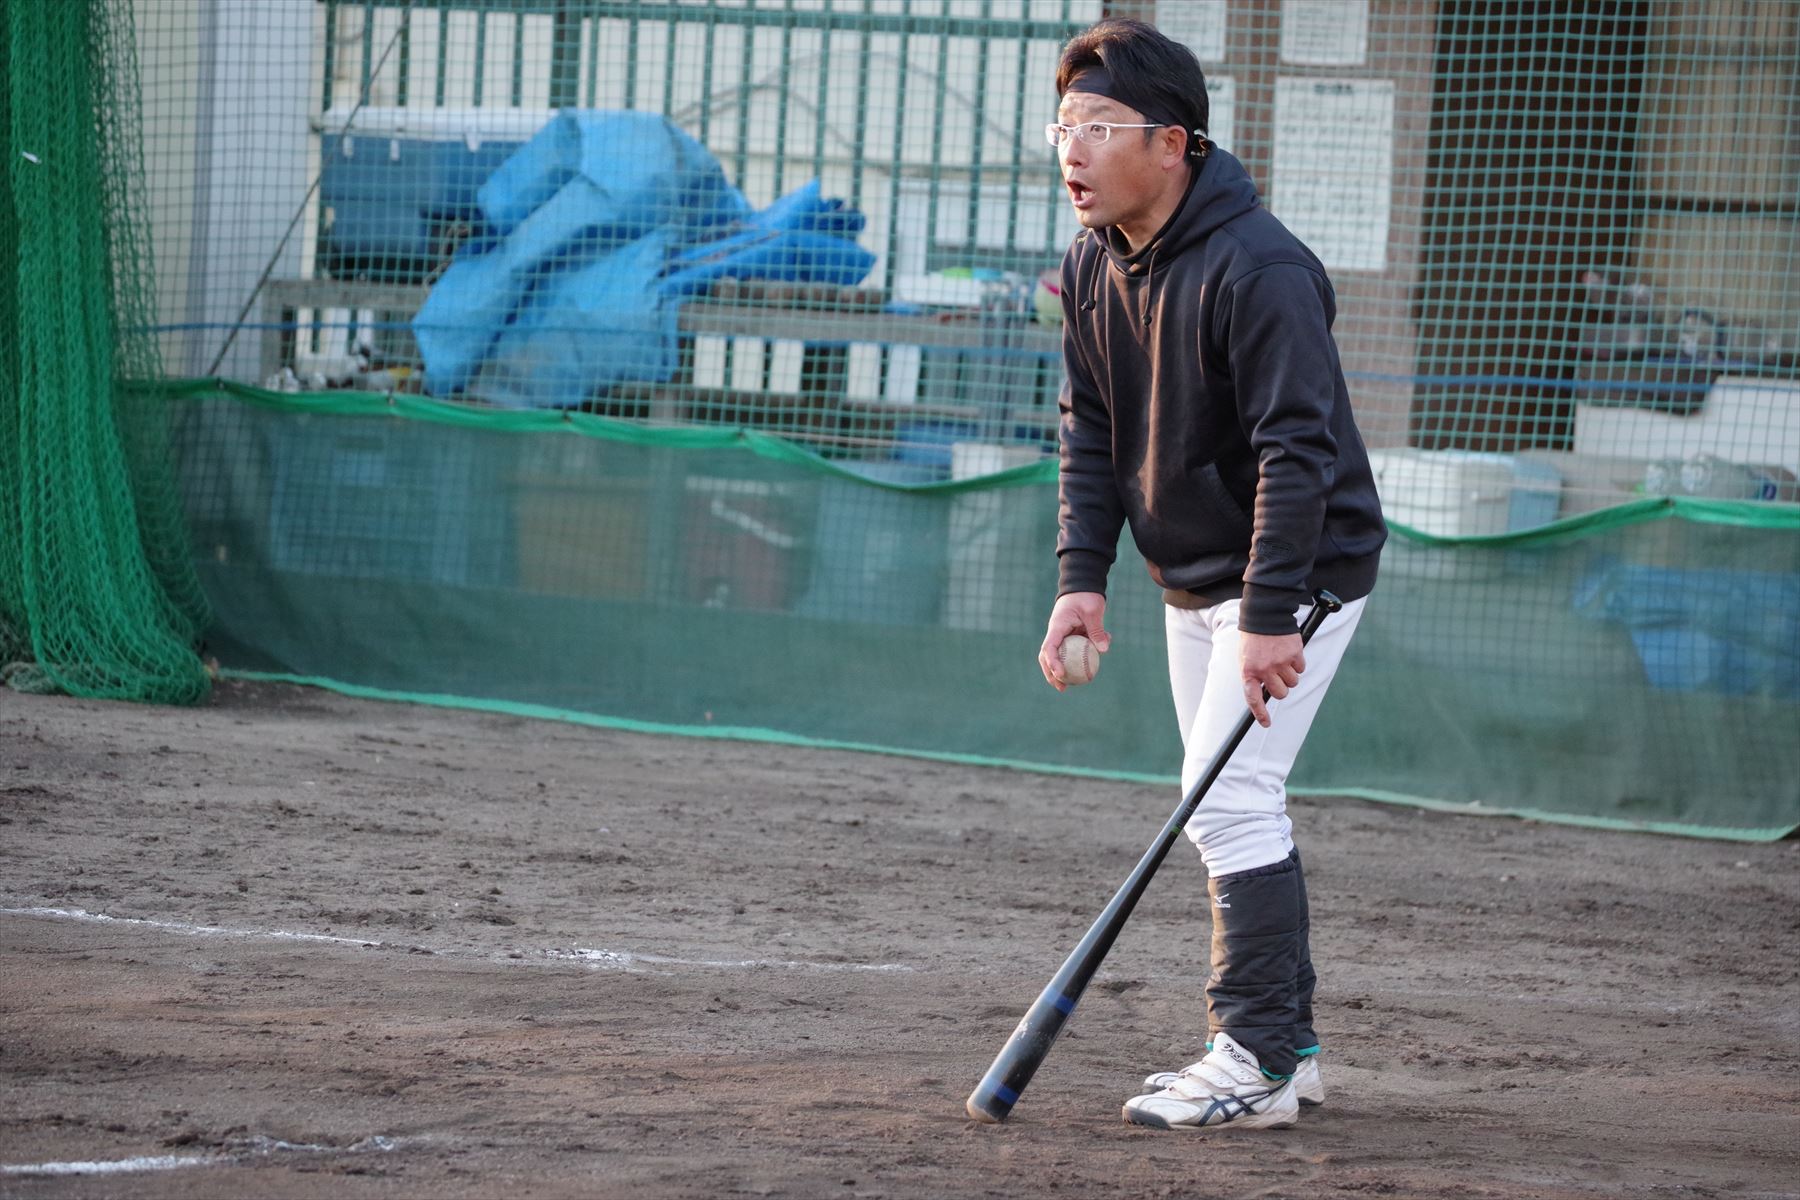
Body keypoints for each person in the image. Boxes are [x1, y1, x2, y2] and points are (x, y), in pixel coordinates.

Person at [1036, 18, 1388, 1131]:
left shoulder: (1262, 269)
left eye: (1099, 129)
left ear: (1175, 143)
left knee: (1224, 800)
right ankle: (1289, 1046)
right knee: (1236, 801)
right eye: (1063, 128)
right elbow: (1088, 427)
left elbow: (1301, 450)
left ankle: (1255, 1060)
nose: (1073, 152)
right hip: (1191, 574)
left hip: (1299, 571)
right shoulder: (1094, 266)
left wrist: (1271, 617)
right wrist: (1079, 577)